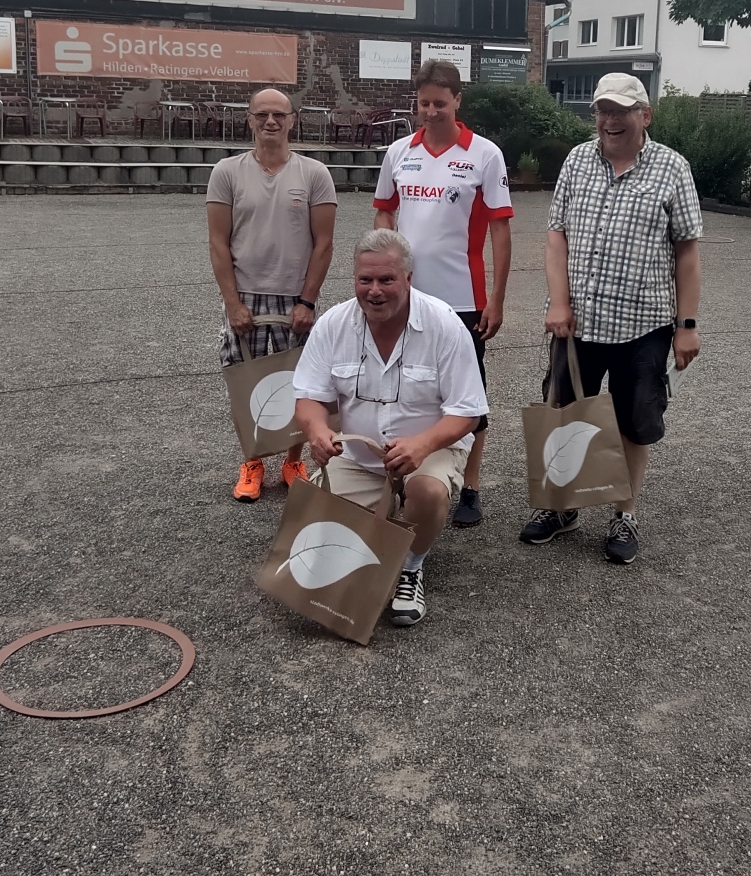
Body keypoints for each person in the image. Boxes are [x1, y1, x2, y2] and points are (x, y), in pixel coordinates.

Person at [523, 72, 702, 564]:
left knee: (634, 423)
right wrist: (559, 301)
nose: (610, 120)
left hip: (643, 324)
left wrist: (687, 326)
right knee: (564, 415)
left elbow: (687, 252)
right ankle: (560, 507)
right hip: (577, 323)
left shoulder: (672, 168)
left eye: (621, 111)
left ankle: (625, 512)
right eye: (603, 111)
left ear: (645, 116)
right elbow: (556, 235)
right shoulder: (578, 161)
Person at [292, 229, 487, 627]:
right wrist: (317, 431)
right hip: (359, 457)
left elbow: (468, 412)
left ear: (409, 279)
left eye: (387, 279)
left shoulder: (445, 325)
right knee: (311, 522)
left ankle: (412, 567)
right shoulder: (333, 324)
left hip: (430, 450)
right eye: (365, 280)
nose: (375, 291)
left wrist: (423, 444)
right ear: (354, 279)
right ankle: (386, 517)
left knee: (427, 491)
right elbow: (309, 398)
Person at [373, 60, 513, 527]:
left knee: (468, 397)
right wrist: (387, 266)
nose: (431, 111)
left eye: (440, 103)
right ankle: (402, 478)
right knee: (401, 386)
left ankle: (470, 486)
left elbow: (500, 231)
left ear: (457, 100)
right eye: (423, 103)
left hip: (462, 299)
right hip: (405, 297)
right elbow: (383, 212)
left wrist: (497, 298)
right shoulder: (399, 151)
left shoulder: (484, 154)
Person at [206, 87, 338, 502]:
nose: (270, 121)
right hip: (246, 295)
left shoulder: (314, 174)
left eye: (279, 114)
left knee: (300, 384)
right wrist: (233, 304)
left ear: (292, 120)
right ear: (249, 119)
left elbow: (324, 243)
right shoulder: (227, 172)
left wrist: (307, 301)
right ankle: (252, 460)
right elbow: (218, 242)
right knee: (244, 383)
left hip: (294, 296)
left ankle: (293, 460)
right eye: (262, 114)